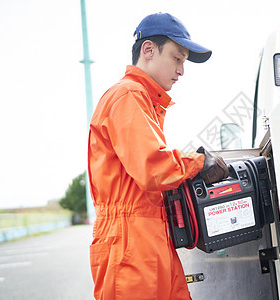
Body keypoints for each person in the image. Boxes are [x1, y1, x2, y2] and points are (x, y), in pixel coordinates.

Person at [87, 12, 229, 300]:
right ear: (149, 50)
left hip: (146, 238)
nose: (182, 71)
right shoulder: (128, 95)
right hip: (130, 244)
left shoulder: (142, 100)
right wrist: (200, 163)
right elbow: (152, 167)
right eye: (177, 59)